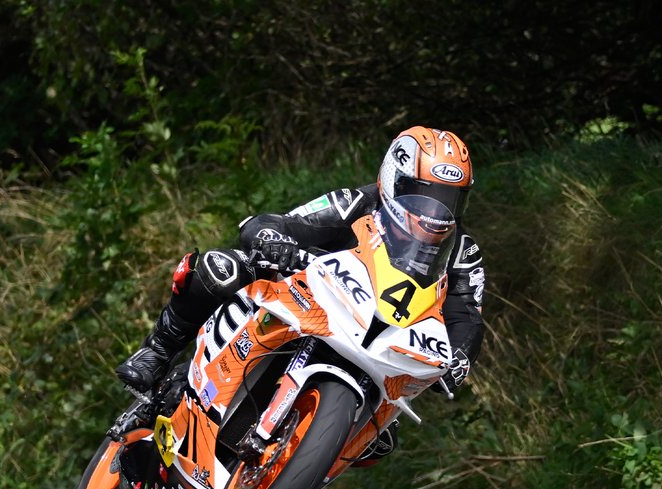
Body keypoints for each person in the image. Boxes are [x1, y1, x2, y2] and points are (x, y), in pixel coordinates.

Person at [115, 126, 486, 460]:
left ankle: (301, 456)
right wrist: (274, 239)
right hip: (310, 295)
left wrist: (460, 357)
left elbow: (467, 314)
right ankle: (158, 350)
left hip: (381, 342)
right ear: (393, 181)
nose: (434, 212)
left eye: (448, 199)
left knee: (380, 442)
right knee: (220, 268)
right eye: (422, 195)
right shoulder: (356, 203)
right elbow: (283, 223)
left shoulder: (462, 252)